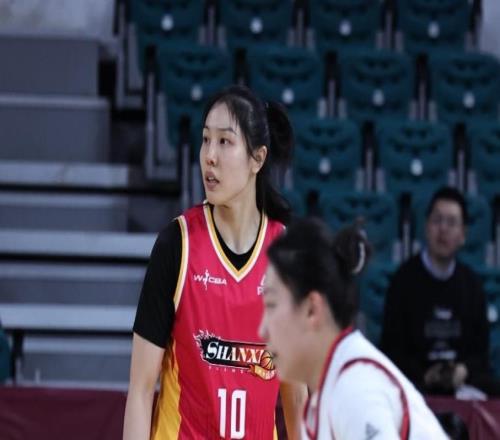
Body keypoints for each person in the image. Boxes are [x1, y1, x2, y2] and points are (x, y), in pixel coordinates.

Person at [123, 85, 305, 439]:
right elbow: (141, 391)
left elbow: (296, 401)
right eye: (206, 140)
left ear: (257, 159)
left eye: (224, 142)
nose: (209, 156)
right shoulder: (177, 244)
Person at [259, 217, 448, 439]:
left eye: (272, 306)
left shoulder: (355, 389)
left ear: (311, 309)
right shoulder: (327, 391)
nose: (262, 329)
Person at [380, 187, 496, 397]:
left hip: (461, 385)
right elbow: (392, 350)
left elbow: (481, 354)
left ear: (463, 234)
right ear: (426, 227)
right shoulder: (403, 281)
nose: (443, 229)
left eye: (451, 222)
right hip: (415, 384)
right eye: (437, 220)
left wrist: (463, 370)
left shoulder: (472, 285)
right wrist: (425, 375)